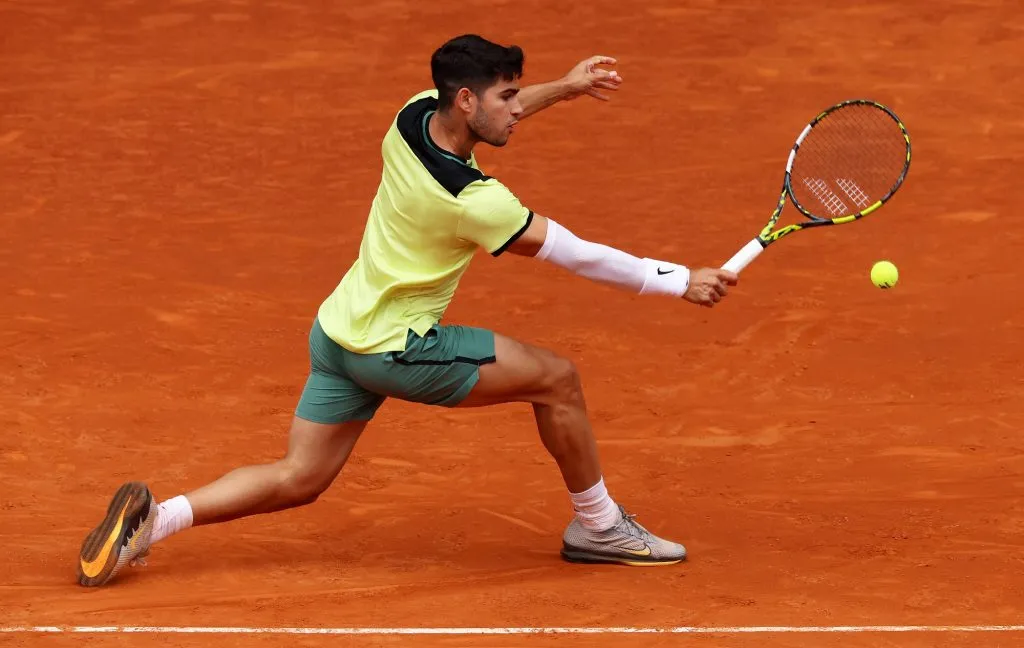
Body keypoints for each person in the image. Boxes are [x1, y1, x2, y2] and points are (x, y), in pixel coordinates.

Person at [76, 34, 738, 587]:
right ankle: (599, 526)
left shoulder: (413, 114)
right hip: (398, 350)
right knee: (557, 380)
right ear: (466, 99)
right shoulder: (475, 201)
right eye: (507, 97)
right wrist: (678, 280)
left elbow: (489, 116)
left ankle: (152, 522)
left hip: (338, 332)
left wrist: (564, 88)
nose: (517, 109)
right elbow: (576, 254)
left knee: (299, 478)